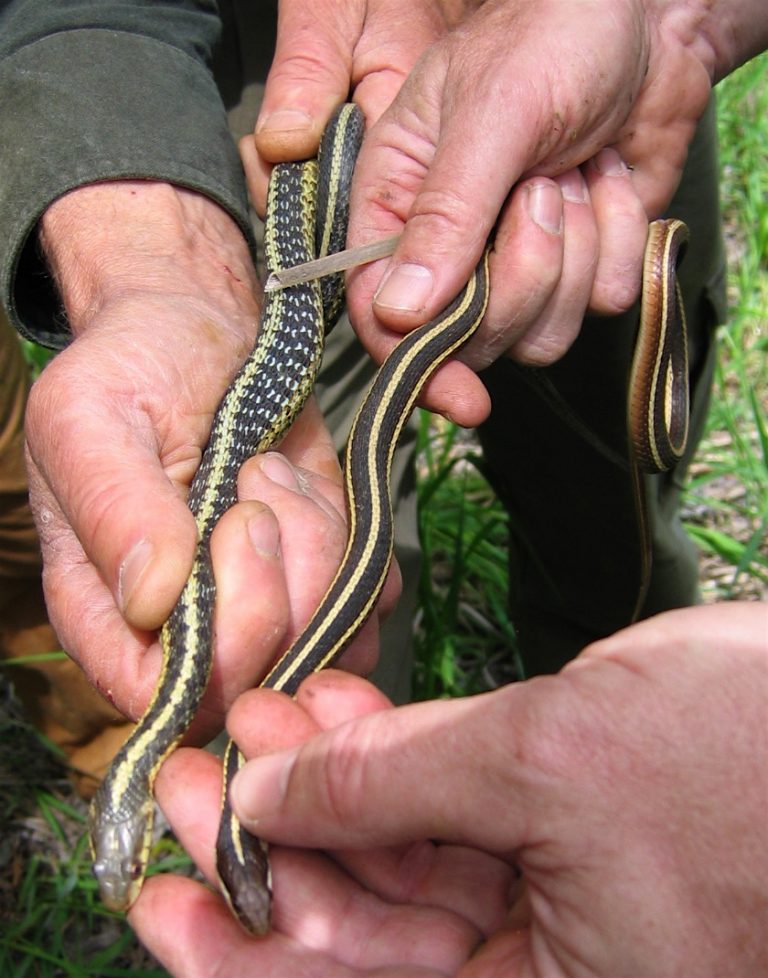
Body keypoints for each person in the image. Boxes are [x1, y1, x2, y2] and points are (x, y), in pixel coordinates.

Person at [0, 0, 765, 970]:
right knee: (329, 604)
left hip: (582, 65)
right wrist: (154, 258)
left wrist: (667, 21)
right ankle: (406, 820)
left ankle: (632, 709)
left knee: (602, 491)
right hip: (279, 79)